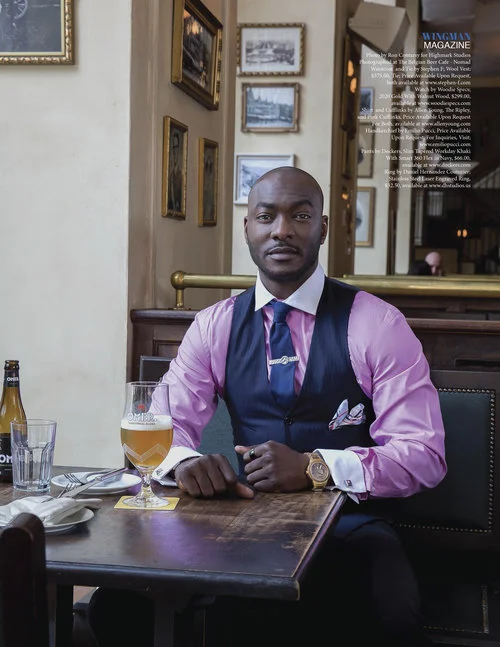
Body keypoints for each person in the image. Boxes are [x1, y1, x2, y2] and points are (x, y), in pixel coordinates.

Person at [88, 167, 446, 647]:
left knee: (390, 614)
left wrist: (316, 467)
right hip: (240, 522)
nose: (282, 230)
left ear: (322, 228)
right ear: (248, 229)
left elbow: (423, 454)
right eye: (266, 216)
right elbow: (160, 426)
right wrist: (186, 462)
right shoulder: (213, 326)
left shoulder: (377, 324)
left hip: (349, 525)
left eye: (300, 215)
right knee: (117, 604)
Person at [168, 130, 183, 213]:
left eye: (176, 147)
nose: (175, 152)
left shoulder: (181, 174)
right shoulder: (170, 175)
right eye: (173, 148)